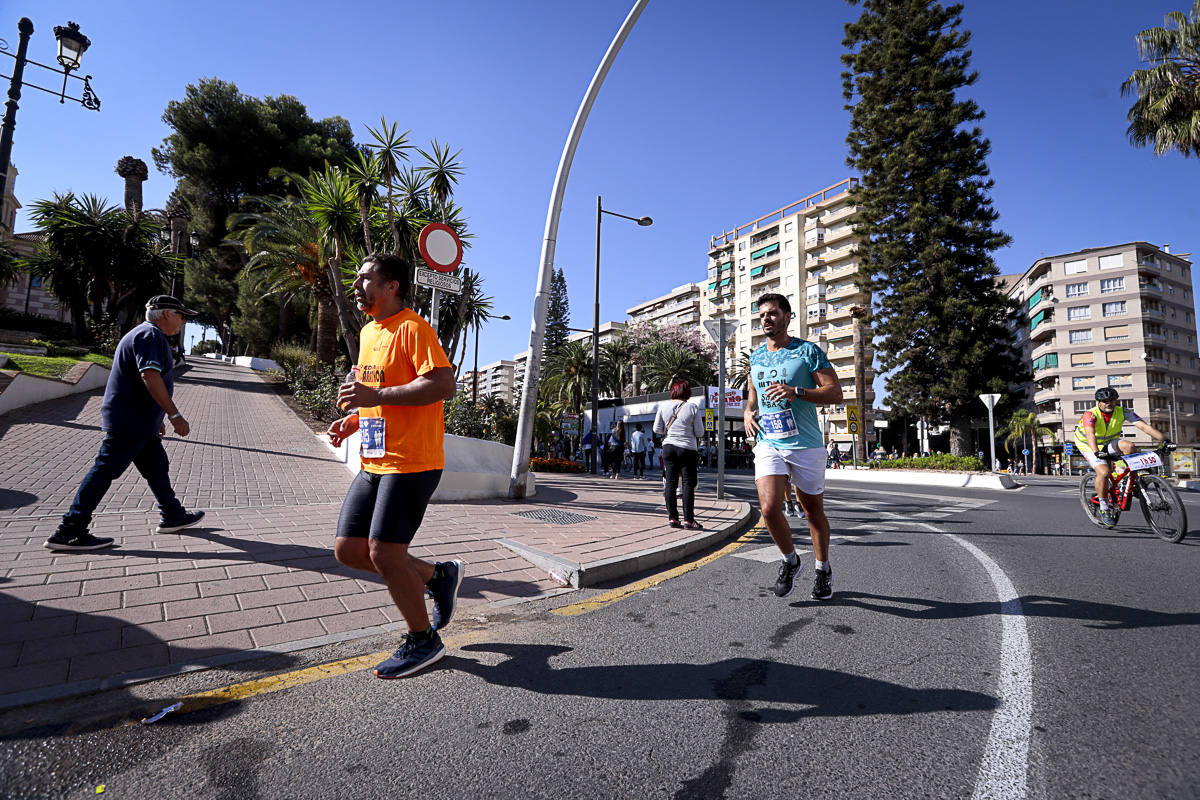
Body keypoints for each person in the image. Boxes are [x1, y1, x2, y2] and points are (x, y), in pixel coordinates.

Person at [327, 253, 461, 679]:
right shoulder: (369, 332)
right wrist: (355, 418)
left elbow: (443, 384)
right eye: (357, 277)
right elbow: (373, 388)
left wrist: (376, 398)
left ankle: (424, 640)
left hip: (412, 461)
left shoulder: (412, 327)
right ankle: (438, 576)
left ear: (392, 286)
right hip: (374, 460)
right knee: (349, 550)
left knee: (384, 552)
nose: (357, 284)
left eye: (367, 278)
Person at [45, 296, 205, 552]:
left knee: (156, 467)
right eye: (181, 315)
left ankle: (173, 515)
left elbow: (143, 380)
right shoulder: (151, 336)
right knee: (105, 471)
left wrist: (157, 417)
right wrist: (174, 415)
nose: (184, 321)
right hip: (130, 421)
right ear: (166, 314)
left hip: (139, 421)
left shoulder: (143, 334)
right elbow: (149, 375)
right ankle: (70, 530)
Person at [744, 292, 843, 601]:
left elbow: (835, 392)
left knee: (812, 511)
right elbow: (753, 393)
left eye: (772, 313)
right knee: (770, 507)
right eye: (762, 314)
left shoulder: (807, 351)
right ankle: (790, 561)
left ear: (787, 316)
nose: (766, 319)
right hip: (769, 441)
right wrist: (748, 412)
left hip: (805, 444)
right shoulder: (757, 356)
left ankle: (823, 568)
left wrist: (797, 391)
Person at [1074, 387, 1167, 527]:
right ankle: (1104, 507)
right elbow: (1090, 434)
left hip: (1108, 442)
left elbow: (1144, 427)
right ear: (1098, 402)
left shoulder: (1122, 411)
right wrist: (1096, 451)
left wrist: (1165, 441)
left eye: (1111, 400)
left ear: (1116, 400)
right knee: (1104, 472)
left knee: (1129, 446)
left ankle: (1131, 478)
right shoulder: (1090, 414)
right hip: (1088, 444)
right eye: (1104, 401)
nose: (1108, 403)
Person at [654, 379, 706, 530]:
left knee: (670, 483)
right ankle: (689, 520)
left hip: (669, 448)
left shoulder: (663, 406)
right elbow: (699, 432)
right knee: (688, 484)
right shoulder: (692, 407)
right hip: (687, 449)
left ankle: (673, 518)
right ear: (687, 392)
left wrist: (670, 431)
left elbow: (657, 429)